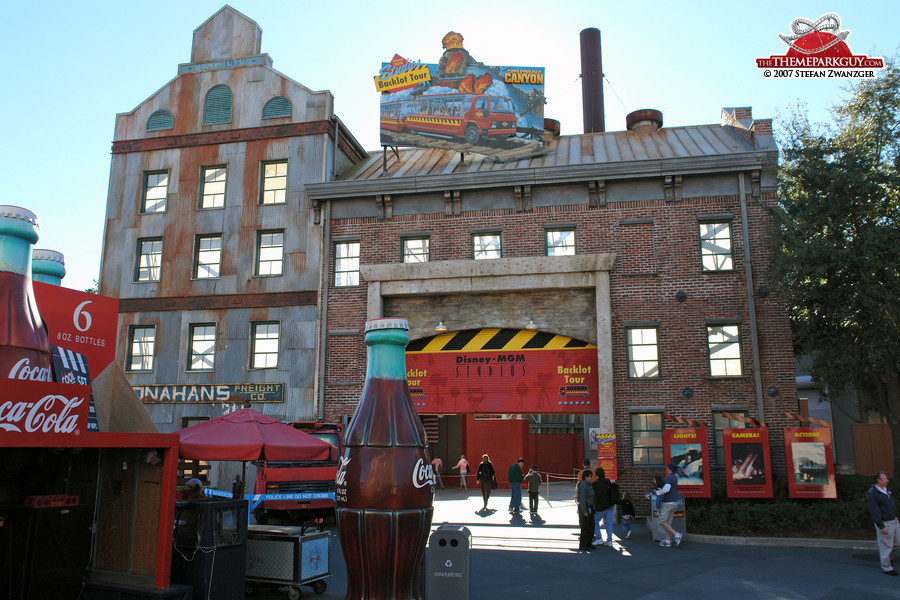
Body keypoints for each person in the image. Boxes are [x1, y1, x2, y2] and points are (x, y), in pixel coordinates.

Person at [866, 471, 900, 575]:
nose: (888, 480)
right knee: (886, 546)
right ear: (879, 480)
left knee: (897, 543)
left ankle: (889, 558)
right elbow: (874, 510)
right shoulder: (872, 493)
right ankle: (887, 567)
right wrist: (881, 526)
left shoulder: (886, 490)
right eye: (885, 479)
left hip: (894, 521)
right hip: (885, 523)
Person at [654, 462, 683, 548]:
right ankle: (667, 541)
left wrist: (659, 492)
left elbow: (666, 489)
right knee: (667, 522)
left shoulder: (668, 478)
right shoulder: (674, 477)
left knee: (661, 521)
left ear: (669, 469)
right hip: (674, 502)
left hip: (668, 503)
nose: (666, 468)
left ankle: (676, 534)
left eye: (667, 467)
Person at [591, 466, 616, 546]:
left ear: (596, 475)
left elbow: (593, 496)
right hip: (610, 505)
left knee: (595, 521)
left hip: (600, 506)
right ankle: (609, 540)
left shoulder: (595, 484)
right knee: (609, 523)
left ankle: (599, 538)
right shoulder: (608, 482)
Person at [576, 469, 595, 551]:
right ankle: (583, 545)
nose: (591, 478)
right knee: (585, 527)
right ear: (585, 477)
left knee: (591, 526)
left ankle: (589, 543)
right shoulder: (583, 486)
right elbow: (583, 499)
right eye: (590, 476)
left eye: (592, 476)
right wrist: (584, 511)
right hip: (585, 507)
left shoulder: (589, 484)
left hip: (590, 507)